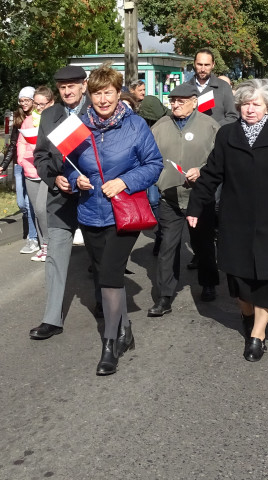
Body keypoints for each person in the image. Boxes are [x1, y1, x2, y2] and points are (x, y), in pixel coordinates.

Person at [187, 79, 268, 362]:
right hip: (236, 220)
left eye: (256, 104)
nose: (250, 110)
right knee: (240, 279)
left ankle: (257, 334)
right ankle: (247, 314)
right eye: (245, 104)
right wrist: (195, 206)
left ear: (267, 106)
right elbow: (211, 174)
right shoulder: (227, 135)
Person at [66, 65, 163, 375]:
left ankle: (110, 344)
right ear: (89, 94)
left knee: (109, 273)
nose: (103, 99)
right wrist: (73, 178)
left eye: (108, 92)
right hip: (89, 212)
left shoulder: (136, 126)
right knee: (105, 276)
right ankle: (124, 329)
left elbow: (154, 164)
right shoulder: (80, 126)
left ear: (117, 93)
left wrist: (125, 181)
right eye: (97, 93)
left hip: (123, 213)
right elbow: (66, 164)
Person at [29, 65, 91, 341]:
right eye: (63, 87)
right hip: (60, 197)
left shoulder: (97, 110)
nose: (67, 91)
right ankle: (52, 318)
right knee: (55, 256)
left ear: (84, 86)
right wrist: (54, 180)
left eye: (72, 85)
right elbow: (40, 156)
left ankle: (106, 301)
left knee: (100, 255)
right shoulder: (51, 115)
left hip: (93, 196)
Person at [148, 81, 219, 315]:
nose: (175, 105)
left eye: (181, 101)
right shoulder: (160, 126)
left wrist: (202, 170)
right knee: (168, 245)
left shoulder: (209, 126)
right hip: (169, 196)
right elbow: (149, 157)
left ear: (194, 102)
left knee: (202, 243)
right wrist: (158, 182)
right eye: (173, 101)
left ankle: (208, 283)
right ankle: (165, 296)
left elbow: (219, 160)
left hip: (199, 198)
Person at [0, 87, 40, 254]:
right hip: (20, 165)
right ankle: (36, 227)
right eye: (21, 101)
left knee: (30, 202)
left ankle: (33, 239)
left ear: (33, 100)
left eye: (26, 100)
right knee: (22, 203)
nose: (24, 103)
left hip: (34, 165)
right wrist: (3, 165)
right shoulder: (19, 118)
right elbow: (13, 144)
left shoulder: (39, 117)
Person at [17, 86, 55, 262]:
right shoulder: (29, 120)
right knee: (35, 210)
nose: (38, 108)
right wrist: (22, 160)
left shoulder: (56, 118)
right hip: (30, 170)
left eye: (42, 104)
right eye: (37, 104)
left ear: (51, 102)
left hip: (47, 171)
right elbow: (21, 141)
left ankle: (49, 244)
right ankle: (43, 245)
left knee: (41, 208)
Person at [184, 48, 236, 125]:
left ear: (213, 65)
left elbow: (233, 116)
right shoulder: (185, 88)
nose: (203, 69)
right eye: (199, 64)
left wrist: (214, 129)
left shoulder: (223, 87)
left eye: (207, 65)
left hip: (217, 135)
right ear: (194, 64)